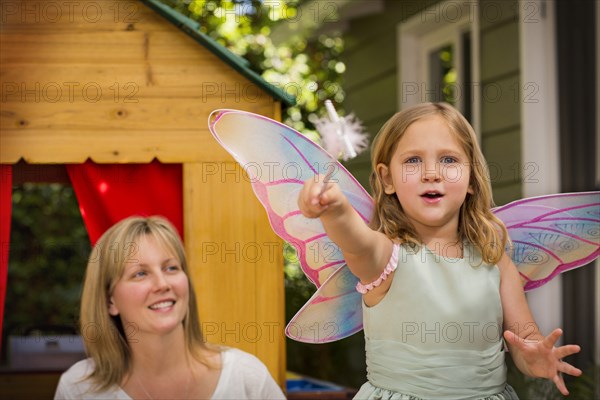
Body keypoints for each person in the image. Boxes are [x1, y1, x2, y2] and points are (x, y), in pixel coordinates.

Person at [298, 102, 582, 399]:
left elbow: (524, 338)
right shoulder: (385, 256)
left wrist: (534, 357)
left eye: (448, 159)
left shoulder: (495, 262)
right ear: (387, 179)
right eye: (413, 161)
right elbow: (354, 241)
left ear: (471, 178)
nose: (431, 173)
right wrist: (336, 210)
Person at [54, 216, 285, 399]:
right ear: (109, 302)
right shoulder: (79, 390)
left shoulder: (246, 376)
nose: (162, 284)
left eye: (171, 268)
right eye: (140, 273)